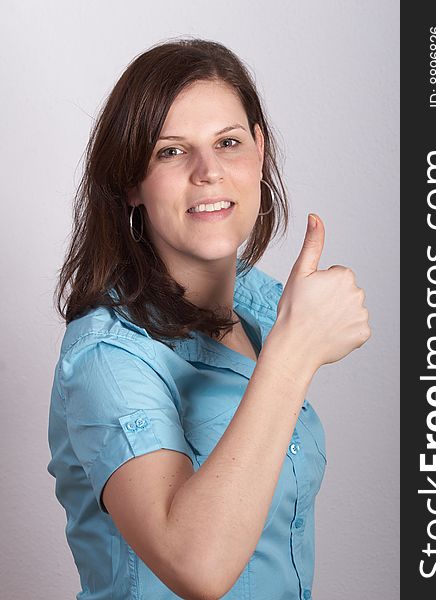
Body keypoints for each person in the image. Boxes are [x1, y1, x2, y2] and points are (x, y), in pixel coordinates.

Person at [47, 37, 370, 600]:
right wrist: (296, 353)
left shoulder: (263, 306)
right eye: (171, 151)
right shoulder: (107, 355)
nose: (209, 172)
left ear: (260, 150)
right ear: (130, 182)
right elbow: (196, 566)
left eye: (228, 142)